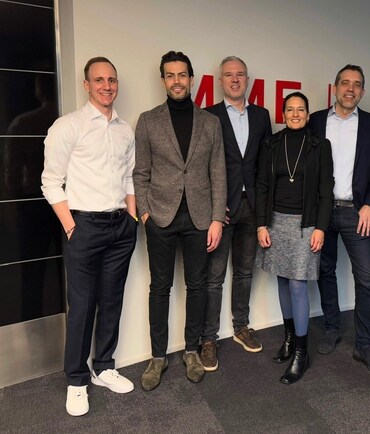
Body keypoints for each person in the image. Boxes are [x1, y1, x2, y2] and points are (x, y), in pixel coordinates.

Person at [41, 57, 137, 416]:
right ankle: (77, 380)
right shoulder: (68, 126)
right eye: (99, 80)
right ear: (86, 85)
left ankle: (104, 367)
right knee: (82, 305)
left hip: (120, 227)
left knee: (111, 299)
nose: (106, 86)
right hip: (83, 227)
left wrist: (131, 218)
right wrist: (71, 227)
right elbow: (50, 181)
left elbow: (128, 177)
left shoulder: (125, 130)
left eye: (112, 80)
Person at [133, 51, 226, 391]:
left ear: (191, 78)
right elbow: (140, 172)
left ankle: (191, 351)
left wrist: (217, 219)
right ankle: (157, 357)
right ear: (163, 80)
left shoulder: (210, 123)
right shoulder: (148, 121)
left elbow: (218, 173)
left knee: (197, 287)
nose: (177, 81)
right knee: (160, 288)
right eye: (170, 75)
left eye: (182, 75)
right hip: (160, 216)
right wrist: (145, 213)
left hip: (199, 218)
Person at [308, 64, 370, 375]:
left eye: (356, 84)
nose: (350, 89)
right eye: (345, 83)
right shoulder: (316, 121)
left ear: (362, 91)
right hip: (323, 211)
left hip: (358, 213)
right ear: (335, 88)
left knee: (368, 277)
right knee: (325, 270)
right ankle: (331, 328)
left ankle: (364, 344)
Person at [255, 91, 334, 384]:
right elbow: (262, 185)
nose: (296, 114)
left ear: (308, 114)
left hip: (306, 225)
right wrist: (261, 225)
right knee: (282, 281)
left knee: (298, 285)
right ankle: (289, 339)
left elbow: (326, 190)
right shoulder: (271, 144)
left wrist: (321, 228)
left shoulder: (320, 146)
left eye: (301, 109)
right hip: (275, 222)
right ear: (283, 113)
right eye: (290, 109)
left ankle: (301, 352)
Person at [203, 56, 272, 370]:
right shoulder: (209, 116)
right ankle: (208, 338)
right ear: (220, 80)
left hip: (252, 207)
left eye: (240, 74)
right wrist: (214, 206)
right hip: (222, 208)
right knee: (214, 277)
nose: (234, 79)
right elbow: (203, 166)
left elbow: (265, 165)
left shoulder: (261, 115)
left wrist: (264, 209)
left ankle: (241, 327)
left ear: (247, 79)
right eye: (228, 75)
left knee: (245, 272)